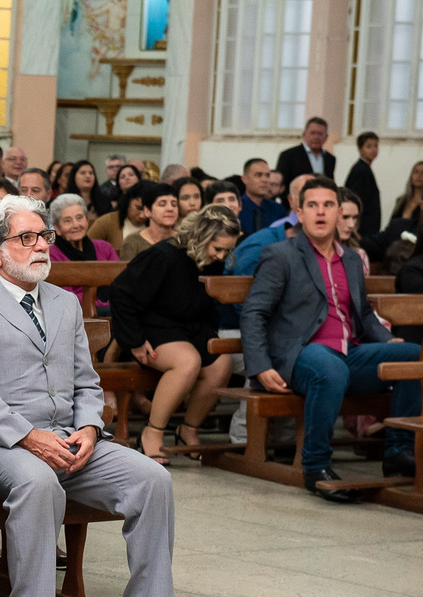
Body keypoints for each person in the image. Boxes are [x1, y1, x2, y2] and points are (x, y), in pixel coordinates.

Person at [0, 193, 199, 597]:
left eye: (44, 235)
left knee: (153, 480)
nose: (41, 245)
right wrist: (26, 435)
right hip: (3, 442)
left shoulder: (63, 302)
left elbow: (86, 380)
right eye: (27, 237)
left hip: (72, 439)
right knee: (39, 483)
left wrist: (89, 428)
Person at [241, 177, 419, 502]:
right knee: (329, 368)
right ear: (299, 212)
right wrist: (261, 366)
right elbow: (254, 313)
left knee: (412, 356)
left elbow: (363, 315)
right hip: (302, 356)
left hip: (349, 353)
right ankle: (316, 467)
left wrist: (386, 339)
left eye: (328, 205)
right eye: (312, 205)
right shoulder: (280, 254)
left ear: (339, 212)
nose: (320, 213)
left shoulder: (351, 259)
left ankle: (398, 452)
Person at [110, 206, 240, 463]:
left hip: (188, 328)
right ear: (201, 238)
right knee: (187, 361)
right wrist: (134, 341)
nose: (222, 256)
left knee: (222, 362)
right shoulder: (163, 255)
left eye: (228, 250)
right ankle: (152, 433)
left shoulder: (211, 260)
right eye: (218, 249)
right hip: (149, 328)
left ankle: (188, 429)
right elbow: (120, 293)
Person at [49, 193, 120, 303]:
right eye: (68, 220)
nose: (76, 225)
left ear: (87, 220)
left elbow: (120, 285)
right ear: (57, 227)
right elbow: (64, 298)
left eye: (79, 218)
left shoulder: (105, 248)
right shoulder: (51, 255)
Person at [274, 117, 336, 200]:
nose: (316, 137)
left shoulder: (330, 159)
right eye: (313, 133)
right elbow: (281, 185)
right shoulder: (288, 155)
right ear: (304, 134)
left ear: (326, 137)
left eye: (320, 134)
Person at [87, 179, 149, 254]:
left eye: (148, 210)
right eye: (138, 208)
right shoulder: (107, 222)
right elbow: (86, 250)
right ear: (128, 201)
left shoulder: (157, 224)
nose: (143, 215)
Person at [120, 182, 178, 261]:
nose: (170, 209)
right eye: (162, 204)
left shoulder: (185, 240)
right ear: (147, 211)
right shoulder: (133, 242)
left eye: (174, 204)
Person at [345, 132, 382, 239]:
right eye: (369, 146)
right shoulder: (361, 171)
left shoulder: (365, 169)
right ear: (360, 149)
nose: (373, 150)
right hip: (362, 230)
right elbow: (355, 200)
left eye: (375, 146)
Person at [238, 158, 282, 235]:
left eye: (267, 175)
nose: (265, 180)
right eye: (258, 175)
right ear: (244, 179)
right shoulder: (236, 208)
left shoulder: (278, 210)